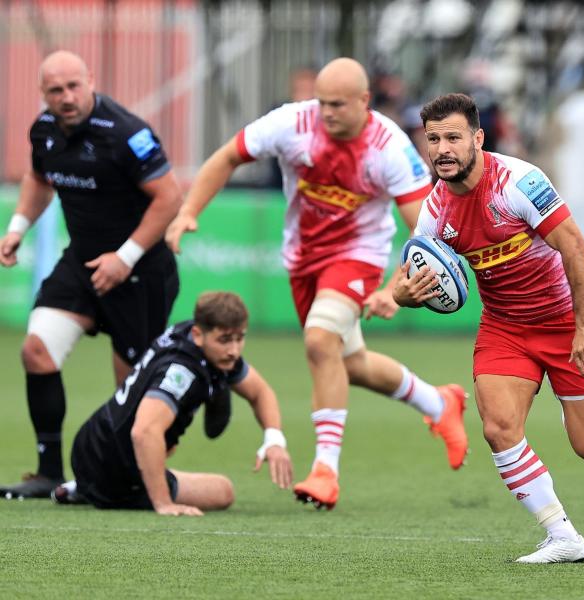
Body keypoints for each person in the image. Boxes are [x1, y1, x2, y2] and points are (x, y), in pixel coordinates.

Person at [165, 57, 467, 511]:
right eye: (322, 102)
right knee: (349, 362)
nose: (326, 112)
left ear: (365, 101)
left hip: (357, 256)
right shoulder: (291, 122)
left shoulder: (388, 147)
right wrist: (189, 211)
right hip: (303, 259)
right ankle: (438, 402)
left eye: (338, 104)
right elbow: (228, 156)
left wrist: (390, 288)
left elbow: (423, 230)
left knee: (320, 339)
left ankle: (326, 470)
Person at [394, 93, 584, 564]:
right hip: (505, 327)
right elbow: (405, 275)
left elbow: (575, 248)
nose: (441, 149)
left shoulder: (519, 182)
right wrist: (402, 295)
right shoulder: (435, 210)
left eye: (452, 137)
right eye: (432, 139)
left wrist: (583, 328)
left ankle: (564, 395)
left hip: (563, 322)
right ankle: (562, 536)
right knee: (497, 428)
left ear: (477, 138)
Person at [0, 51, 181, 499]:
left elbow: (169, 198)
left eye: (74, 86)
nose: (67, 98)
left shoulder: (127, 133)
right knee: (36, 351)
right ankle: (47, 473)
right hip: (81, 263)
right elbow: (40, 179)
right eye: (56, 90)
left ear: (91, 81)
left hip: (140, 271)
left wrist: (125, 257)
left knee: (131, 385)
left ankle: (124, 478)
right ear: (43, 94)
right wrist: (17, 227)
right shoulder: (43, 131)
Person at [53, 291, 294, 515]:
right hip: (118, 469)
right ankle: (101, 490)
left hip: (93, 444)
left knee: (165, 439)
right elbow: (144, 432)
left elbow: (260, 392)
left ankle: (83, 488)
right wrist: (164, 503)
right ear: (199, 335)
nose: (233, 350)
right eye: (225, 340)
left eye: (240, 338)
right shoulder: (182, 371)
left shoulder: (190, 334)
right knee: (223, 490)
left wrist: (274, 440)